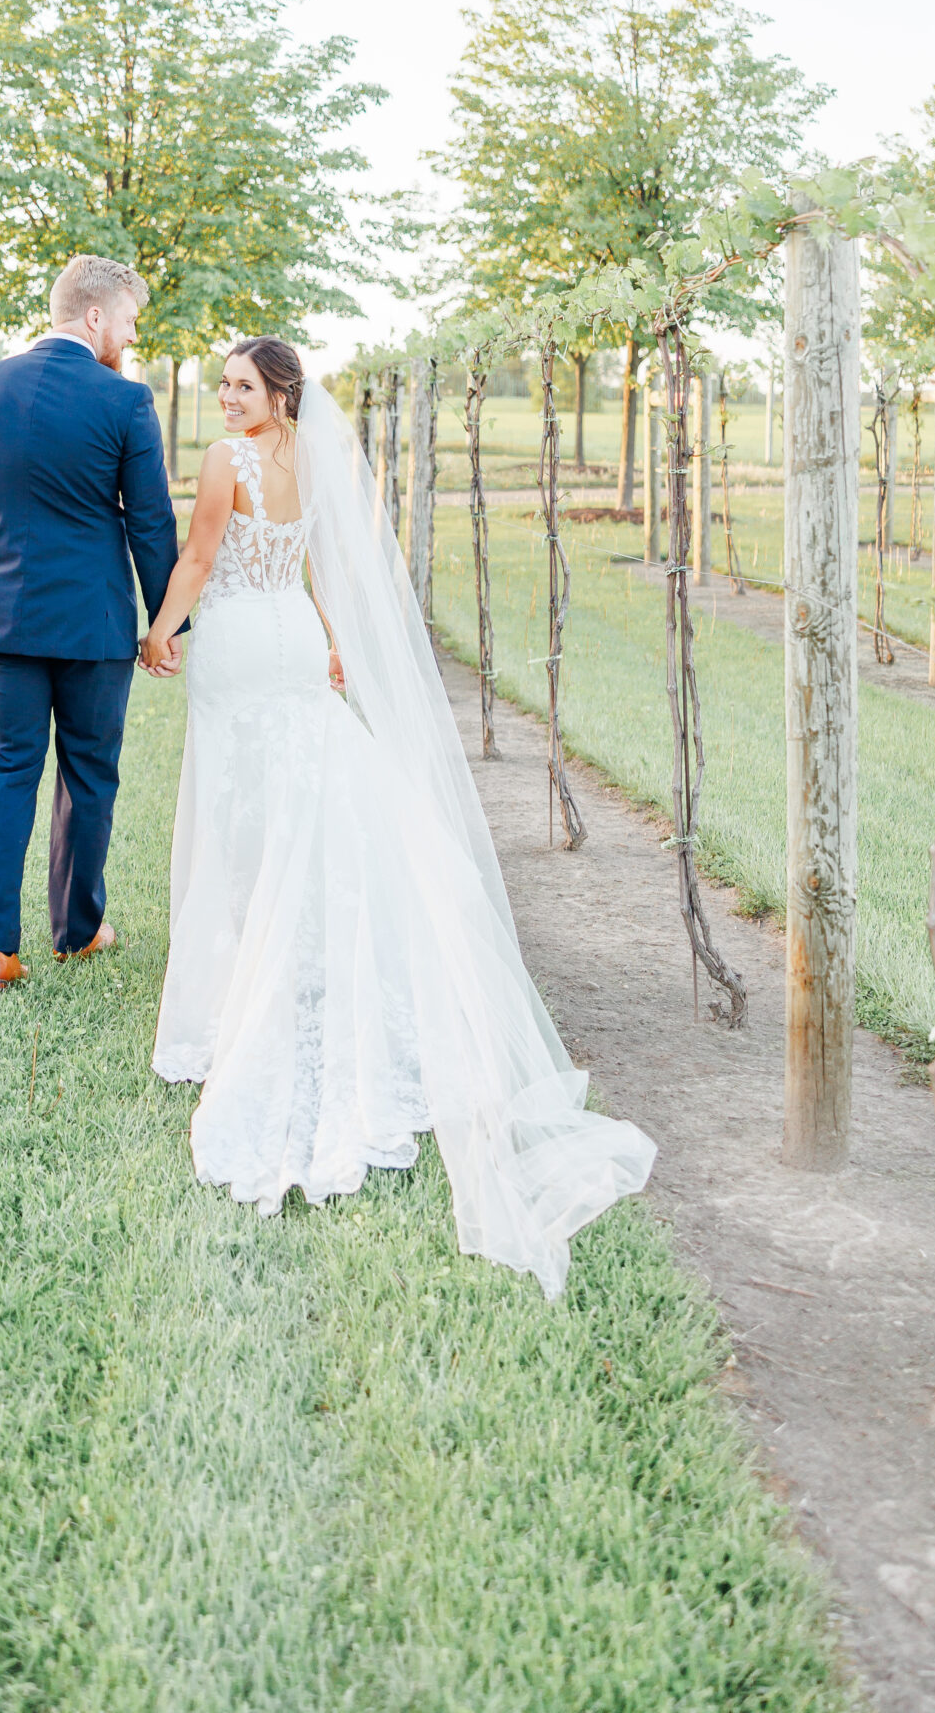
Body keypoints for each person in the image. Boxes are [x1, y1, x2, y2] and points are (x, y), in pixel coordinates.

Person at [141, 335, 654, 1297]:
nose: (225, 399)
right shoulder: (317, 457)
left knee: (236, 815)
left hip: (245, 645)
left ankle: (239, 987)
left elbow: (201, 556)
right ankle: (284, 964)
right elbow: (328, 573)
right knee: (295, 806)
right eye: (222, 386)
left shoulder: (226, 461)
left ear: (280, 393)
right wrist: (337, 645)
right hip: (292, 638)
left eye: (242, 386)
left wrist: (161, 629)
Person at [0, 254, 180, 994]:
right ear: (95, 315)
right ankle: (76, 933)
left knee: (3, 772)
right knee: (88, 773)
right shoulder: (127, 403)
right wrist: (165, 623)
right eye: (129, 322)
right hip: (94, 623)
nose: (130, 339)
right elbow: (150, 521)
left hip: (0, 618)